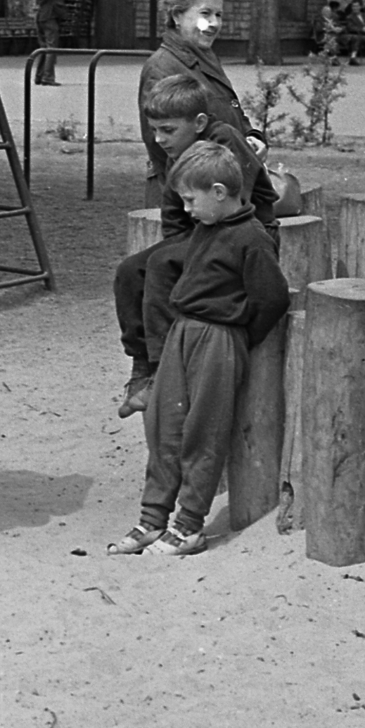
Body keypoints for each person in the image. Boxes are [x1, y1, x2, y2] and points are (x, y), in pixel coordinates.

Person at [107, 142, 290, 558]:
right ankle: (153, 519)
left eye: (191, 199)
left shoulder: (252, 239)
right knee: (162, 426)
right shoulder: (207, 228)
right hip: (182, 333)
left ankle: (188, 526)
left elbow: (272, 298)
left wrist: (238, 336)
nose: (186, 209)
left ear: (220, 192)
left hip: (218, 339)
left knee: (201, 433)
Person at [114, 74, 280, 419]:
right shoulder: (178, 152)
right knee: (131, 271)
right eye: (155, 130)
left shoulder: (225, 143)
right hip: (202, 233)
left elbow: (235, 206)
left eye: (168, 130)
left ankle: (162, 372)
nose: (159, 139)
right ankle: (141, 365)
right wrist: (178, 253)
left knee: (160, 266)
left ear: (199, 123)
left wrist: (182, 257)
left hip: (241, 233)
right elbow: (174, 218)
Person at [137, 0, 267, 206]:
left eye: (219, 15)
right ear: (177, 16)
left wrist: (252, 137)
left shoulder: (205, 57)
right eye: (205, 14)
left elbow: (231, 111)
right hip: (187, 199)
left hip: (217, 195)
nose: (214, 23)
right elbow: (163, 145)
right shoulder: (162, 67)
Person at [33, 0, 97, 86]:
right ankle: (48, 77)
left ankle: (39, 76)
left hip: (41, 17)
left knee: (44, 48)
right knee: (51, 48)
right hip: (50, 18)